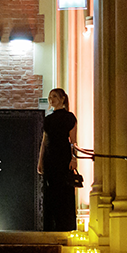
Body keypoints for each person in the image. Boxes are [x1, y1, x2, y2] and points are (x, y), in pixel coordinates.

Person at [37, 87, 78, 231]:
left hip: (63, 156)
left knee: (64, 189)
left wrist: (74, 159)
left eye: (54, 96)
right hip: (50, 156)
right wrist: (40, 160)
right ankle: (50, 225)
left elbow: (73, 141)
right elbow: (44, 141)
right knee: (50, 190)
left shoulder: (69, 117)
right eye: (50, 97)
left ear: (62, 98)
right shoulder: (48, 119)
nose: (51, 99)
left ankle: (65, 225)